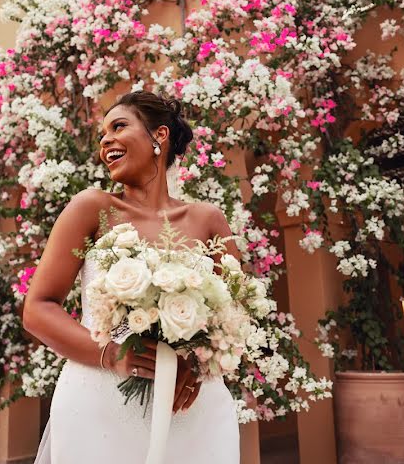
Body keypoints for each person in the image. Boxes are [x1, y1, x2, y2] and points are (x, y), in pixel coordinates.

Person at [22, 90, 241, 463]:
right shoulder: (92, 208)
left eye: (119, 126)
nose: (106, 140)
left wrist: (199, 363)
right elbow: (37, 309)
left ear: (159, 136)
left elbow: (236, 315)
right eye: (102, 135)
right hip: (100, 403)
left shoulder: (209, 220)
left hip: (192, 407)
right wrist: (111, 354)